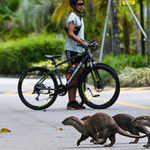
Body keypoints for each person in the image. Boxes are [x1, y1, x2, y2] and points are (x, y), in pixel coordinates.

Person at [65, 0, 86, 110]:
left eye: (83, 4)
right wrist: (82, 43)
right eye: (79, 4)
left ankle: (74, 101)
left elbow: (80, 35)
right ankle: (71, 102)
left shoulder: (80, 18)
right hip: (72, 49)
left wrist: (85, 43)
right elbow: (70, 33)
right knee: (73, 74)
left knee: (78, 74)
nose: (82, 6)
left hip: (79, 50)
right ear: (74, 6)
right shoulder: (72, 17)